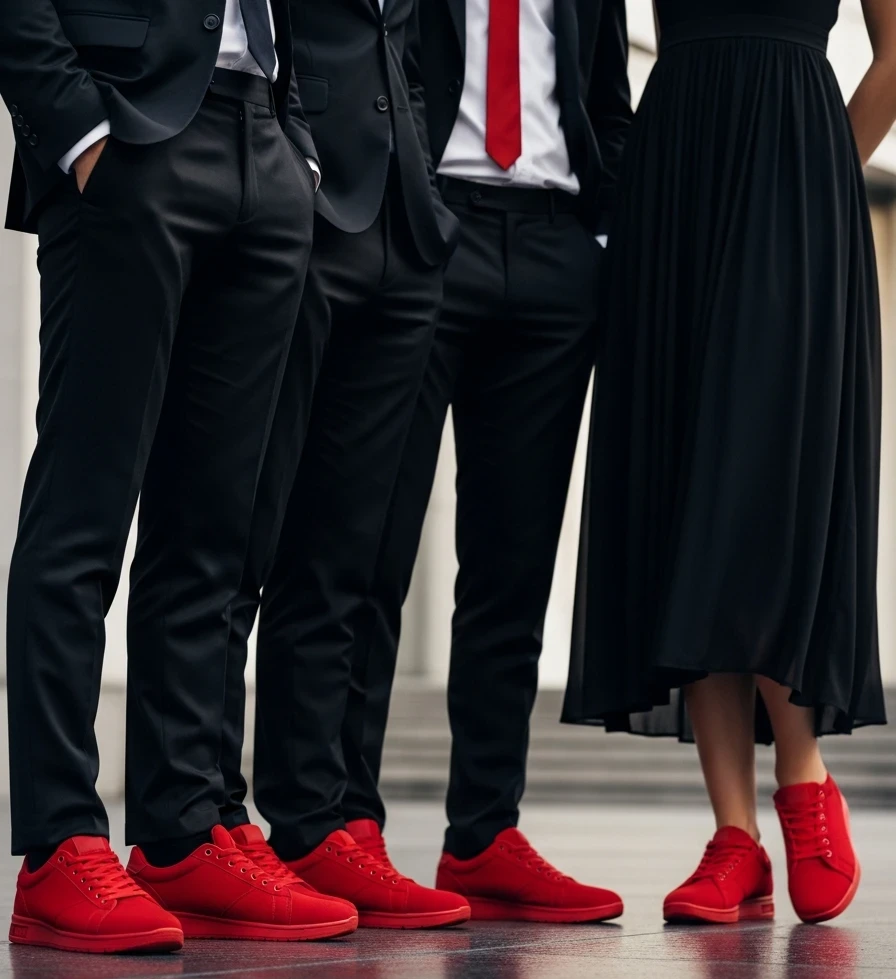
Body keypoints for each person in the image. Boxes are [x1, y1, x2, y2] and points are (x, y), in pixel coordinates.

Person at [2, 0, 359, 953]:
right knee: (85, 509)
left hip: (263, 137)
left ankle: (181, 829)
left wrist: (297, 145)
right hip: (127, 132)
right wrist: (75, 128)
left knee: (213, 527)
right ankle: (57, 843)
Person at [563, 0, 896, 926]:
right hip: (678, 171)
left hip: (795, 170)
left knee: (764, 479)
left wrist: (823, 167)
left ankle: (804, 778)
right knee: (685, 480)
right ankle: (734, 837)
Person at [314, 0, 632, 924]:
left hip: (554, 250)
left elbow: (606, 96)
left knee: (514, 569)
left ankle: (484, 833)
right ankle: (347, 822)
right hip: (427, 227)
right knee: (371, 548)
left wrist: (599, 241)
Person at [215, 0, 471, 928]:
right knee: (244, 531)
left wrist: (427, 184)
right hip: (297, 196)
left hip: (405, 215)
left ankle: (318, 820)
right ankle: (206, 813)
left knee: (345, 553)